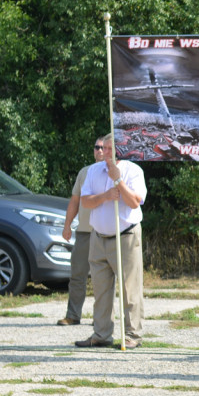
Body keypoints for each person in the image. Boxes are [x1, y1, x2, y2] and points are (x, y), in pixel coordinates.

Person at [75, 134, 147, 349]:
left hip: (125, 237)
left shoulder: (133, 171)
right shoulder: (93, 171)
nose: (104, 153)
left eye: (108, 149)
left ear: (120, 151)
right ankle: (102, 334)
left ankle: (132, 335)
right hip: (99, 237)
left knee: (129, 289)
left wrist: (119, 181)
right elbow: (85, 201)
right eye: (102, 148)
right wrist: (106, 195)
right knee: (101, 290)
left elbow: (134, 202)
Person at [57, 138, 105, 326]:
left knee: (104, 279)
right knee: (77, 275)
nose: (99, 150)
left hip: (105, 232)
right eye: (96, 147)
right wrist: (67, 224)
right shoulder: (84, 172)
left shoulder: (115, 172)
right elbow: (75, 201)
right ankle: (73, 315)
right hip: (85, 232)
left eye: (103, 147)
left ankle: (101, 319)